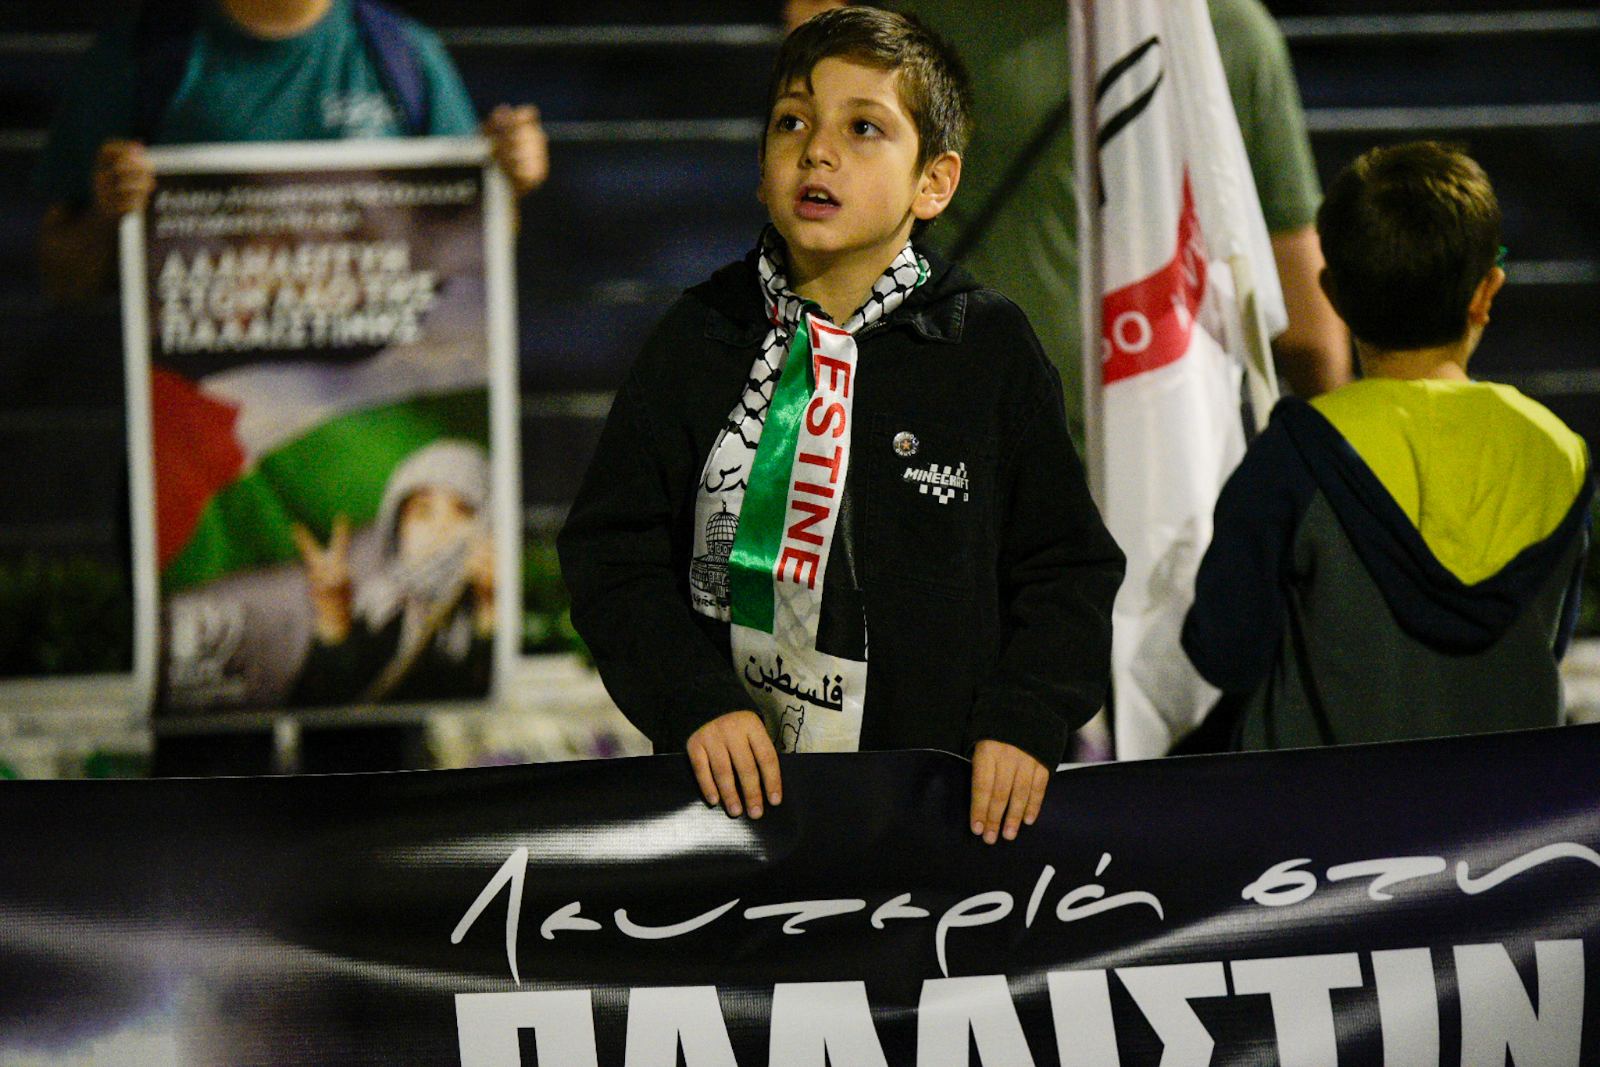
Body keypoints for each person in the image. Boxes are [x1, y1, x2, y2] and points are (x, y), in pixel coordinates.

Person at [558, 8, 1124, 844]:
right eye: (792, 122)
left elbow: (1066, 569)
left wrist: (1025, 715)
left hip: (943, 815)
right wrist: (695, 702)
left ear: (935, 182)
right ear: (761, 168)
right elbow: (613, 557)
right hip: (736, 821)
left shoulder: (986, 349)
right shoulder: (699, 336)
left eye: (864, 128)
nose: (817, 151)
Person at [1180, 142, 1592, 751]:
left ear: (1332, 294)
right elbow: (1548, 640)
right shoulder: (1558, 452)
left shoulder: (1295, 453)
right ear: (1486, 292)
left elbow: (1226, 652)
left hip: (1325, 808)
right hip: (1512, 805)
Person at [788, 0, 1349, 445]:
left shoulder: (917, 23)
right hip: (1164, 447)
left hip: (951, 427)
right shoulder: (1232, 32)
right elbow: (1307, 327)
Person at [35, 0, 548, 305]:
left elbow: (478, 248)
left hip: (380, 406)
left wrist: (507, 182)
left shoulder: (405, 55)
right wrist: (110, 216)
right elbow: (62, 276)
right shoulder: (136, 60)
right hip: (183, 433)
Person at [291, 439, 495, 708]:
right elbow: (313, 713)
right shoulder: (377, 611)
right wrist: (334, 619)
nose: (441, 527)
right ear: (397, 529)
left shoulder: (490, 611)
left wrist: (490, 613)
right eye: (423, 511)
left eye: (463, 511)